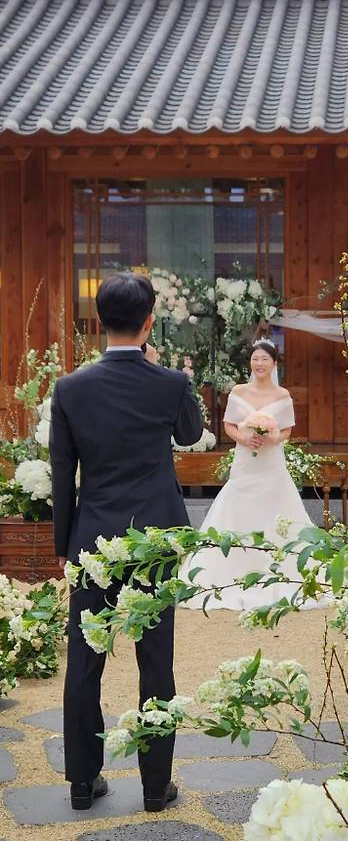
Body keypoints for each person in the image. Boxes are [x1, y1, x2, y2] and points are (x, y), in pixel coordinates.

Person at [49, 272, 203, 813]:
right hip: (156, 539)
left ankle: (81, 783)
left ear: (97, 322)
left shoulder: (70, 388)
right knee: (156, 662)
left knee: (85, 660)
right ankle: (156, 787)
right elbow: (189, 434)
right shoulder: (168, 384)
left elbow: (63, 472)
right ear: (148, 322)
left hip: (93, 538)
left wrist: (63, 548)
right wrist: (169, 372)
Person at [180, 339, 321, 610]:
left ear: (274, 364)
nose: (259, 364)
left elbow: (288, 429)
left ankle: (279, 567)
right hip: (246, 460)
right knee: (238, 502)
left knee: (277, 506)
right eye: (255, 359)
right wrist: (244, 439)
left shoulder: (282, 396)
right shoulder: (238, 392)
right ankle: (232, 567)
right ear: (251, 363)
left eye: (265, 359)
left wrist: (273, 437)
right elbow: (229, 425)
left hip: (271, 460)